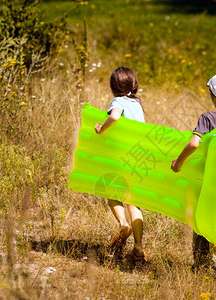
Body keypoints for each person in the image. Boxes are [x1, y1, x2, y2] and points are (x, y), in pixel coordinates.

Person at [171, 72, 216, 271]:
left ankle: (200, 263)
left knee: (201, 216)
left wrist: (179, 161)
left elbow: (194, 143)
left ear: (211, 95)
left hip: (206, 180)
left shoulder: (207, 118)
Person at [94, 66, 147, 262]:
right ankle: (139, 248)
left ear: (113, 86)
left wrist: (102, 130)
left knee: (112, 194)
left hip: (121, 156)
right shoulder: (137, 104)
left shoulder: (118, 101)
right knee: (134, 202)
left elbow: (115, 116)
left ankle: (123, 224)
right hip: (139, 157)